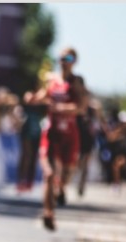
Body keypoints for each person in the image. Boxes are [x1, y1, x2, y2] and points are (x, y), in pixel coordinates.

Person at [36, 48, 86, 230]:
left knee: (68, 172)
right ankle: (48, 213)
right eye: (62, 58)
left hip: (70, 135)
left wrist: (60, 108)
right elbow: (41, 97)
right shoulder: (51, 80)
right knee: (49, 174)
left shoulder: (77, 82)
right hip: (52, 134)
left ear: (75, 61)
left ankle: (62, 188)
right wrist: (32, 98)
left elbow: (81, 108)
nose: (64, 61)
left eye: (69, 58)